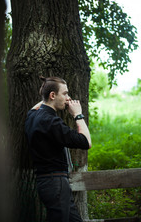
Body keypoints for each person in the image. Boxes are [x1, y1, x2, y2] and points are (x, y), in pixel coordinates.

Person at [25, 76, 92, 222]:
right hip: (56, 183)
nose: (68, 98)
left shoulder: (32, 116)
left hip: (47, 183)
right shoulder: (52, 122)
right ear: (53, 95)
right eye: (65, 93)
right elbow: (86, 142)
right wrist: (78, 114)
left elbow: (37, 106)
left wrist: (46, 93)